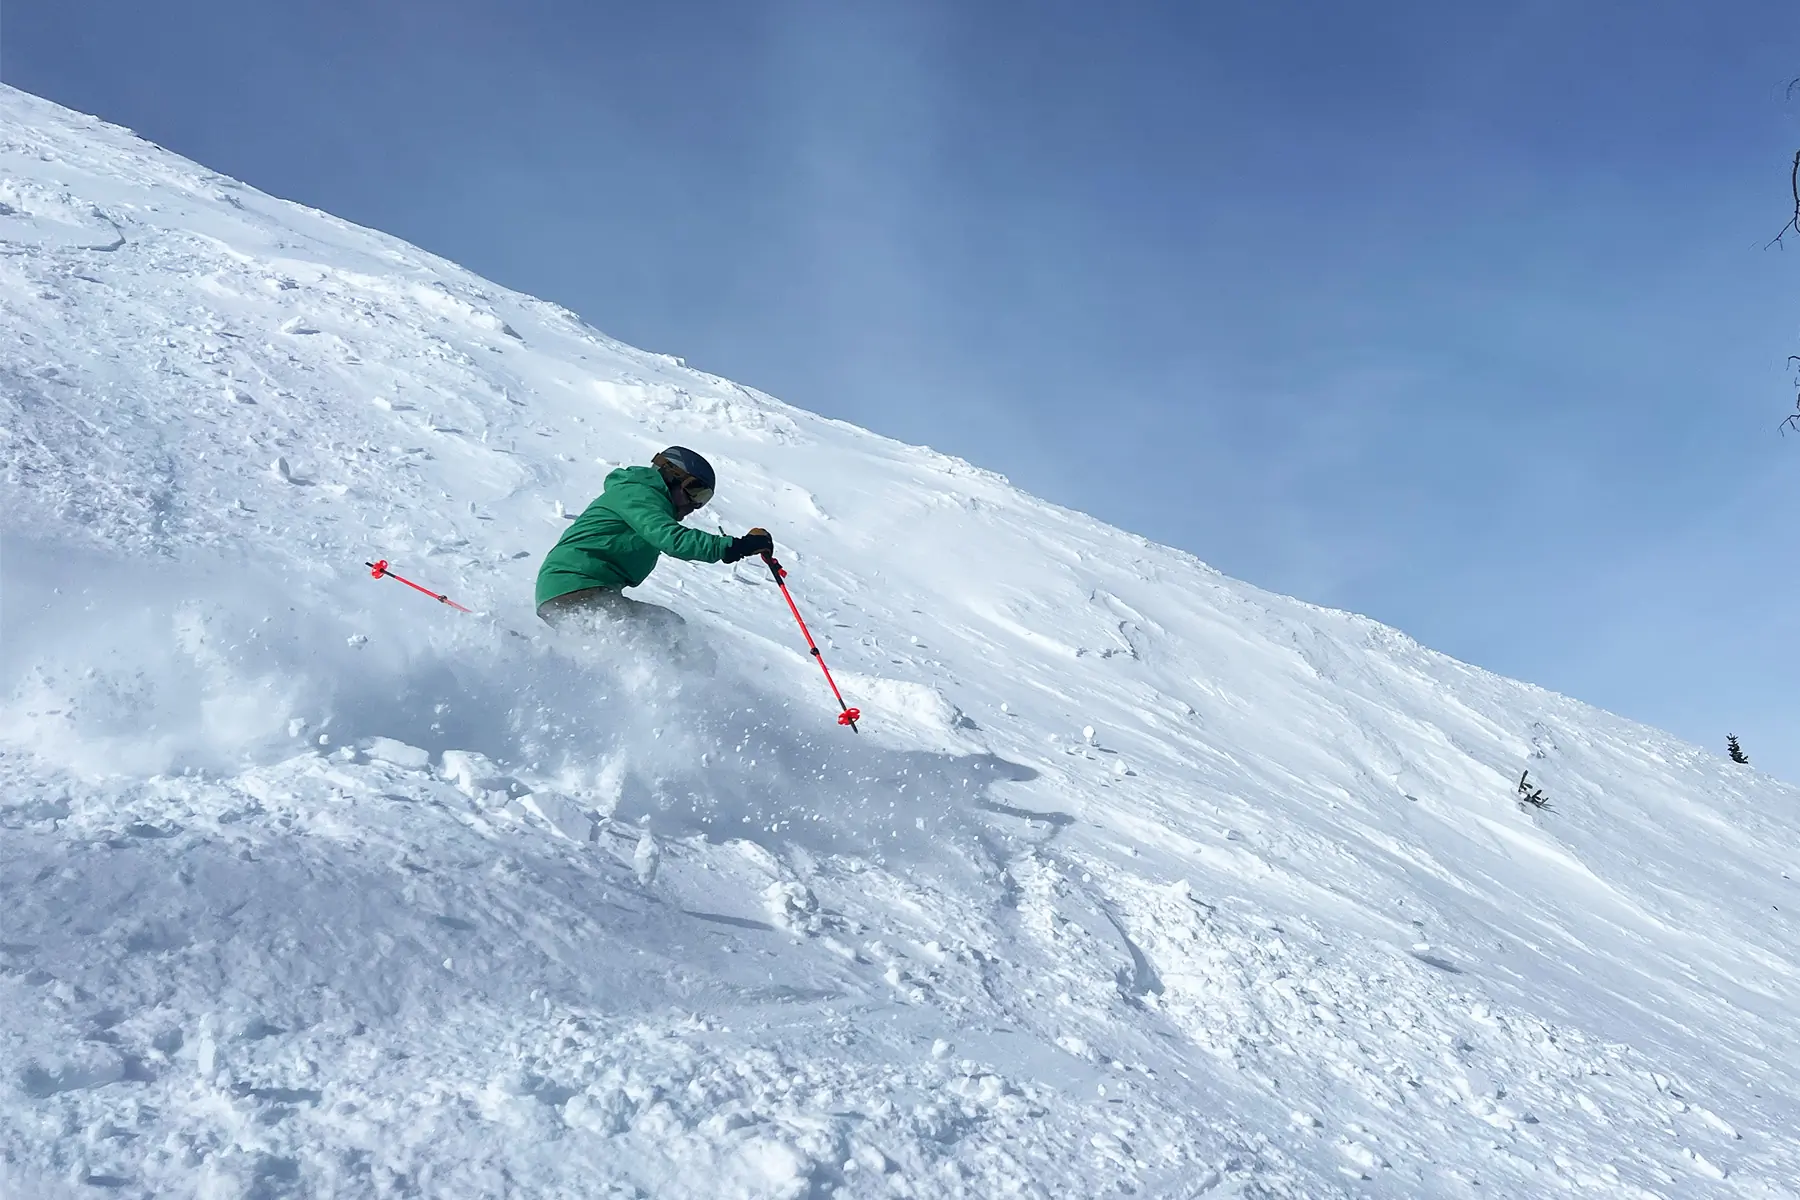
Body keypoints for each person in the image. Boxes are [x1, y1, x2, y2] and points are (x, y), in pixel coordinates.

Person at [535, 446, 773, 628]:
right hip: (576, 586)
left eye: (704, 498)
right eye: (695, 491)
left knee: (666, 627)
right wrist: (735, 546)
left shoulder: (644, 499)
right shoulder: (638, 494)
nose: (696, 505)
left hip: (579, 590)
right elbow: (672, 539)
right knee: (666, 630)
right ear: (672, 477)